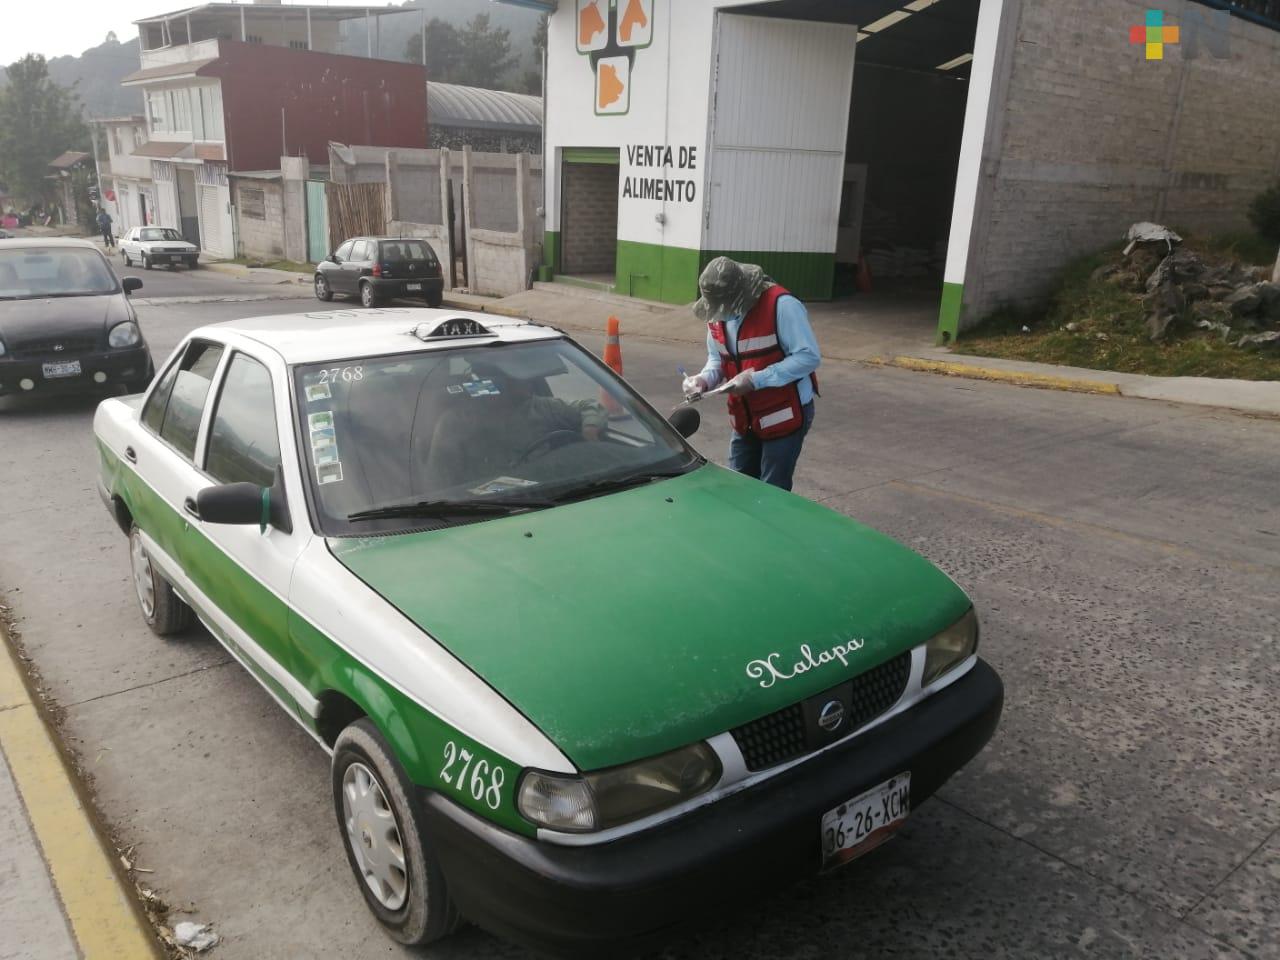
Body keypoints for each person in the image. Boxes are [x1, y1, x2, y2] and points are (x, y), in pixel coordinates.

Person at [683, 257, 820, 492]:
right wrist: (703, 380)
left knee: (772, 492)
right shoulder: (716, 313)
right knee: (738, 487)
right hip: (745, 417)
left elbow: (808, 357)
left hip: (785, 414)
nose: (720, 314)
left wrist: (756, 380)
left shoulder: (782, 305)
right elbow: (717, 358)